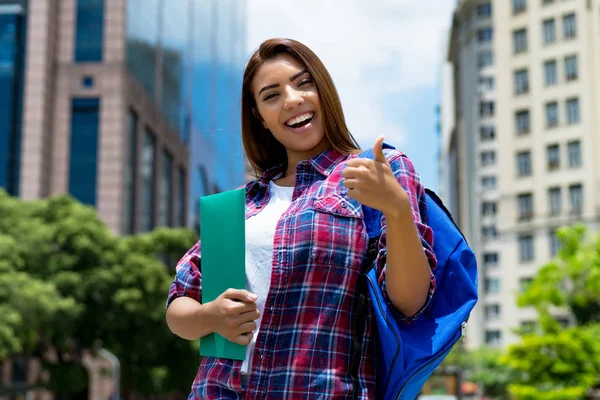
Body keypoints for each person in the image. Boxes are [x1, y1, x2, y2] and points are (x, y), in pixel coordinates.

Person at [165, 38, 437, 400]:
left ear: (323, 90)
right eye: (271, 95)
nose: (292, 99)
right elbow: (180, 302)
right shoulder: (238, 205)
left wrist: (398, 210)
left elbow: (410, 303)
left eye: (303, 82)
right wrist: (212, 317)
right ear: (260, 117)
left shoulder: (376, 171)